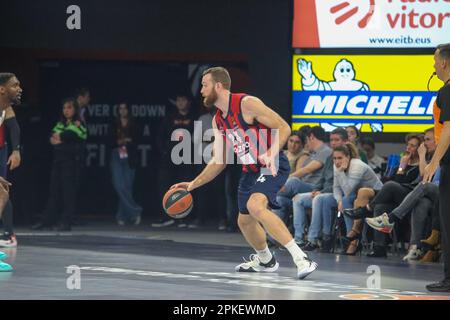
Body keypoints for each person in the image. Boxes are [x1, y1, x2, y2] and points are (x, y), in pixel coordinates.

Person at [171, 67, 317, 279]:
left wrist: (270, 152)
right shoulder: (218, 120)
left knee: (255, 205)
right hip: (250, 170)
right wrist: (193, 184)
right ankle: (266, 260)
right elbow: (219, 161)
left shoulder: (246, 103)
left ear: (218, 86)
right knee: (244, 220)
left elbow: (283, 127)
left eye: (204, 85)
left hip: (272, 163)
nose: (201, 90)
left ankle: (302, 258)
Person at [32, 98, 87, 231]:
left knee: (68, 193)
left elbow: (70, 135)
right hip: (58, 162)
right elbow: (52, 136)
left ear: (75, 110)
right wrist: (58, 138)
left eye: (69, 108)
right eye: (64, 108)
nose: (66, 111)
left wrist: (60, 138)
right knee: (54, 192)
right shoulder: (60, 123)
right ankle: (48, 221)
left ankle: (66, 222)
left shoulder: (79, 123)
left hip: (71, 163)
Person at [293, 127, 348, 252]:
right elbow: (323, 178)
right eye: (331, 140)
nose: (333, 143)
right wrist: (316, 189)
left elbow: (339, 184)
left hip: (339, 194)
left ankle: (314, 240)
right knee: (297, 199)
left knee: (318, 198)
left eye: (337, 140)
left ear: (344, 141)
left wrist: (321, 192)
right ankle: (298, 239)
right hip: (325, 191)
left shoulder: (347, 157)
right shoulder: (330, 157)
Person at [423, 43, 450, 292]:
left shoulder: (447, 91)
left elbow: (448, 130)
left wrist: (433, 163)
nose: (433, 64)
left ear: (443, 62)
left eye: (434, 59)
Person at [333, 143, 383, 255]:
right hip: (356, 196)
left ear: (348, 157)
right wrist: (338, 200)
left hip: (375, 195)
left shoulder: (357, 165)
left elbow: (347, 190)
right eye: (335, 158)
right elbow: (336, 188)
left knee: (347, 200)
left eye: (340, 158)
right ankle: (350, 239)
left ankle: (352, 240)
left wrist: (341, 172)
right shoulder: (337, 166)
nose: (336, 161)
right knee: (344, 200)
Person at [0, 72, 23, 272]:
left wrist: (16, 150)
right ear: (2, 89)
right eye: (15, 85)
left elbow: (13, 127)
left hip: (1, 149)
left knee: (1, 193)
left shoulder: (4, 108)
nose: (19, 89)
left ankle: (8, 234)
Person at [108, 102, 142, 226]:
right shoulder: (113, 123)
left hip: (130, 155)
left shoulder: (134, 123)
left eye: (124, 108)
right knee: (119, 185)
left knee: (127, 187)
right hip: (117, 154)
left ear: (128, 110)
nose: (122, 111)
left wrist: (129, 141)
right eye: (120, 108)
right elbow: (108, 140)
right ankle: (135, 211)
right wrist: (119, 141)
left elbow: (139, 139)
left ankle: (121, 215)